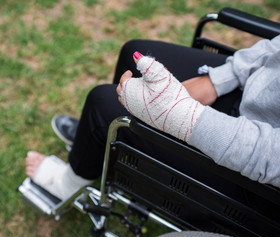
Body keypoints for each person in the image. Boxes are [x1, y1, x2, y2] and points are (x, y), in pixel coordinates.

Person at [25, 36, 280, 203]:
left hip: (257, 174)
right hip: (253, 93)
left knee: (102, 105)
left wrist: (183, 116)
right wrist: (218, 79)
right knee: (132, 52)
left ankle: (68, 186)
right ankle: (97, 147)